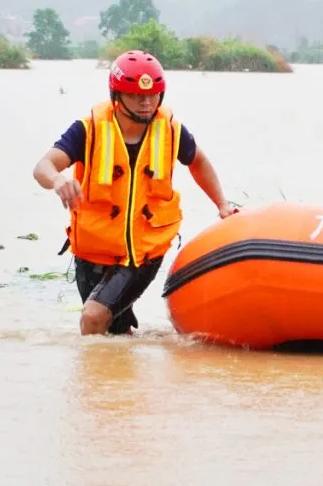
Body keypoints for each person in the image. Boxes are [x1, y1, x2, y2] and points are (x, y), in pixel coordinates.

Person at [32, 50, 238, 336]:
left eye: (153, 95)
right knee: (114, 332)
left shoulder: (170, 130)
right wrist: (56, 180)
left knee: (92, 318)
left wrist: (222, 205)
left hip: (142, 251)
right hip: (92, 251)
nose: (146, 103)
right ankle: (123, 378)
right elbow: (43, 166)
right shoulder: (88, 129)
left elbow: (198, 161)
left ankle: (95, 382)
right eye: (136, 95)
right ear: (117, 96)